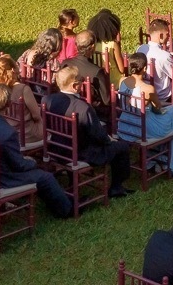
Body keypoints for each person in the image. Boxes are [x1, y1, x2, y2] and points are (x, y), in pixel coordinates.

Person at [0, 83, 74, 217]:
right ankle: (66, 211)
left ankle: (61, 201)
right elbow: (19, 165)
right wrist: (32, 162)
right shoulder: (8, 133)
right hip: (4, 178)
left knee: (41, 173)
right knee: (46, 176)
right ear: (8, 106)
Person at [44, 65, 133, 196]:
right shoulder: (82, 107)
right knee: (122, 146)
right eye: (80, 81)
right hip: (82, 152)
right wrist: (110, 140)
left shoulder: (48, 100)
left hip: (56, 148)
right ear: (75, 86)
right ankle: (116, 187)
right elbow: (98, 135)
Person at [118, 53, 173, 178]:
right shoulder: (148, 88)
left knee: (171, 113)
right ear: (144, 68)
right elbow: (158, 108)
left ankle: (159, 158)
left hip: (124, 124)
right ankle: (168, 158)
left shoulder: (122, 81)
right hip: (141, 127)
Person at [0, 56, 44, 145]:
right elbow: (36, 115)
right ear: (12, 70)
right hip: (26, 135)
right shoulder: (23, 89)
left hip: (5, 133)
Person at [60, 29, 112, 108]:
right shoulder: (97, 71)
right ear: (93, 46)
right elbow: (107, 100)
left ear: (76, 45)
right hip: (93, 110)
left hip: (67, 104)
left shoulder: (65, 63)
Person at [140, 18, 173, 103]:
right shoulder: (164, 56)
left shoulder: (141, 48)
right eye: (168, 34)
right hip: (162, 97)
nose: (169, 36)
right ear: (161, 35)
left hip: (144, 93)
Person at [88, 9, 126, 86]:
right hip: (114, 80)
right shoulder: (112, 44)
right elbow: (121, 69)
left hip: (98, 80)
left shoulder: (91, 44)